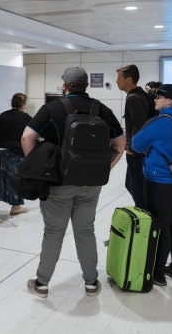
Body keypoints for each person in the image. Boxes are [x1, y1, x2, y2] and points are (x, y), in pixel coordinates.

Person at [22, 67, 125, 298]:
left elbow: (27, 137)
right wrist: (102, 169)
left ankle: (42, 283)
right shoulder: (102, 109)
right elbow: (120, 145)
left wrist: (38, 166)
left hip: (58, 182)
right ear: (87, 86)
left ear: (64, 86)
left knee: (54, 232)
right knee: (85, 231)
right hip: (91, 185)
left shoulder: (51, 108)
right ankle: (90, 283)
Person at [132, 84, 172, 286]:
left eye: (160, 97)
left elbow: (136, 144)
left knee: (161, 224)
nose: (155, 99)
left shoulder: (162, 122)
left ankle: (157, 273)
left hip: (160, 180)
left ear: (170, 101)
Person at [0, 93, 32, 224]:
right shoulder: (26, 118)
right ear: (23, 104)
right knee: (5, 181)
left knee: (11, 180)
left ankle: (16, 207)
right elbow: (30, 136)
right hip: (13, 154)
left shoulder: (3, 116)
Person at [116, 64, 153, 209]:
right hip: (140, 150)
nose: (117, 81)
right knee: (131, 184)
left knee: (137, 188)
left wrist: (131, 148)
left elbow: (139, 125)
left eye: (119, 78)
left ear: (129, 79)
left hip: (136, 152)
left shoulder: (133, 98)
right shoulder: (141, 95)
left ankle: (145, 216)